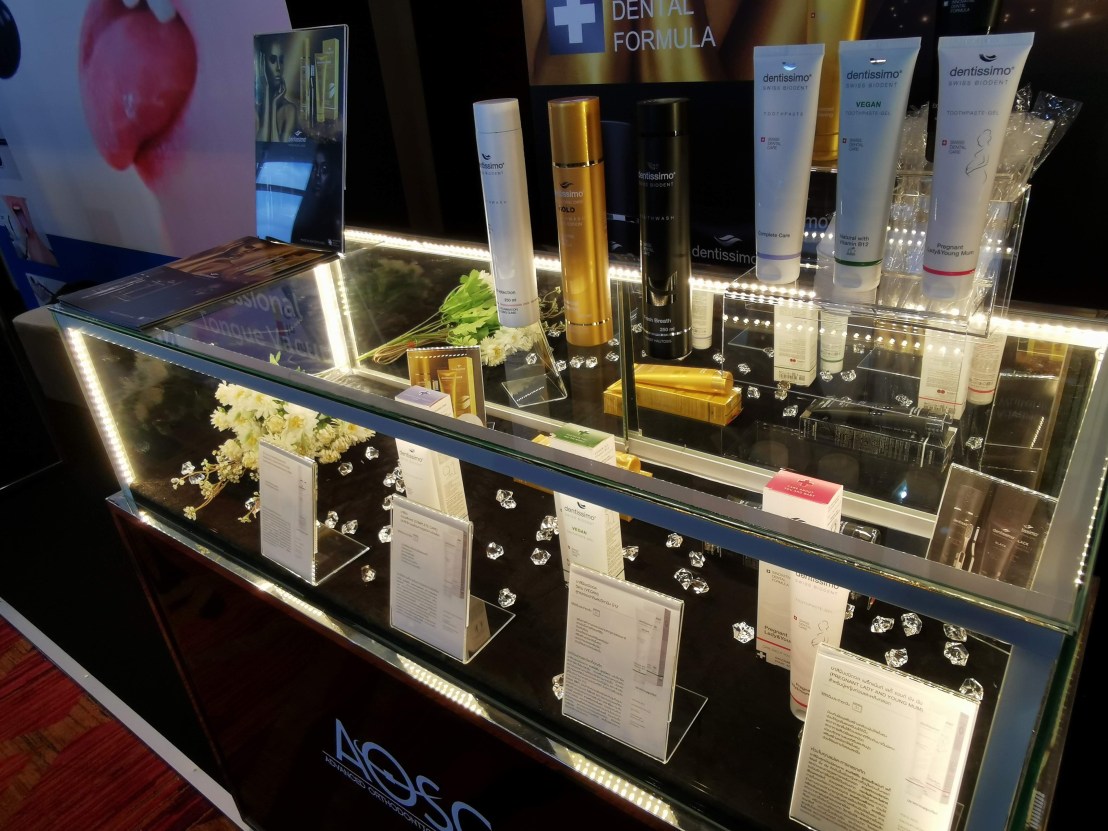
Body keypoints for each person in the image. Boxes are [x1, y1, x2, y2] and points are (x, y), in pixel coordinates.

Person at [255, 35, 299, 144]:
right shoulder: (254, 110)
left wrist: (274, 105)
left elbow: (278, 150)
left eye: (281, 60)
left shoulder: (289, 110)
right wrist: (266, 90)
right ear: (262, 64)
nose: (279, 67)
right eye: (273, 60)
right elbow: (261, 146)